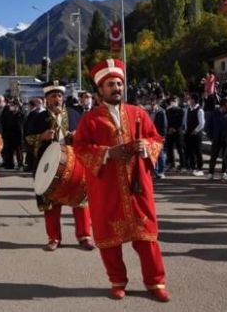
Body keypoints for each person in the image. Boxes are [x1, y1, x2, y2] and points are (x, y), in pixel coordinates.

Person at [73, 59, 170, 302]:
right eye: (110, 84)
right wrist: (107, 153)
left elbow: (157, 139)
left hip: (138, 186)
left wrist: (145, 146)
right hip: (107, 187)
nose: (116, 88)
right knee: (109, 239)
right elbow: (81, 148)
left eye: (119, 83)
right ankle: (117, 281)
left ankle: (155, 281)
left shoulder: (138, 113)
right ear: (99, 91)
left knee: (146, 236)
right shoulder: (90, 119)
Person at [25, 81, 94, 252]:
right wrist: (41, 137)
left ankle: (84, 236)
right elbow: (27, 140)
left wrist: (78, 136)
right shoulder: (37, 117)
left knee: (80, 201)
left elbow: (87, 138)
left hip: (74, 165)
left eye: (59, 96)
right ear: (46, 99)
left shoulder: (74, 114)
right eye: (53, 96)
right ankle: (54, 238)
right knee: (51, 204)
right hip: (48, 166)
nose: (57, 99)